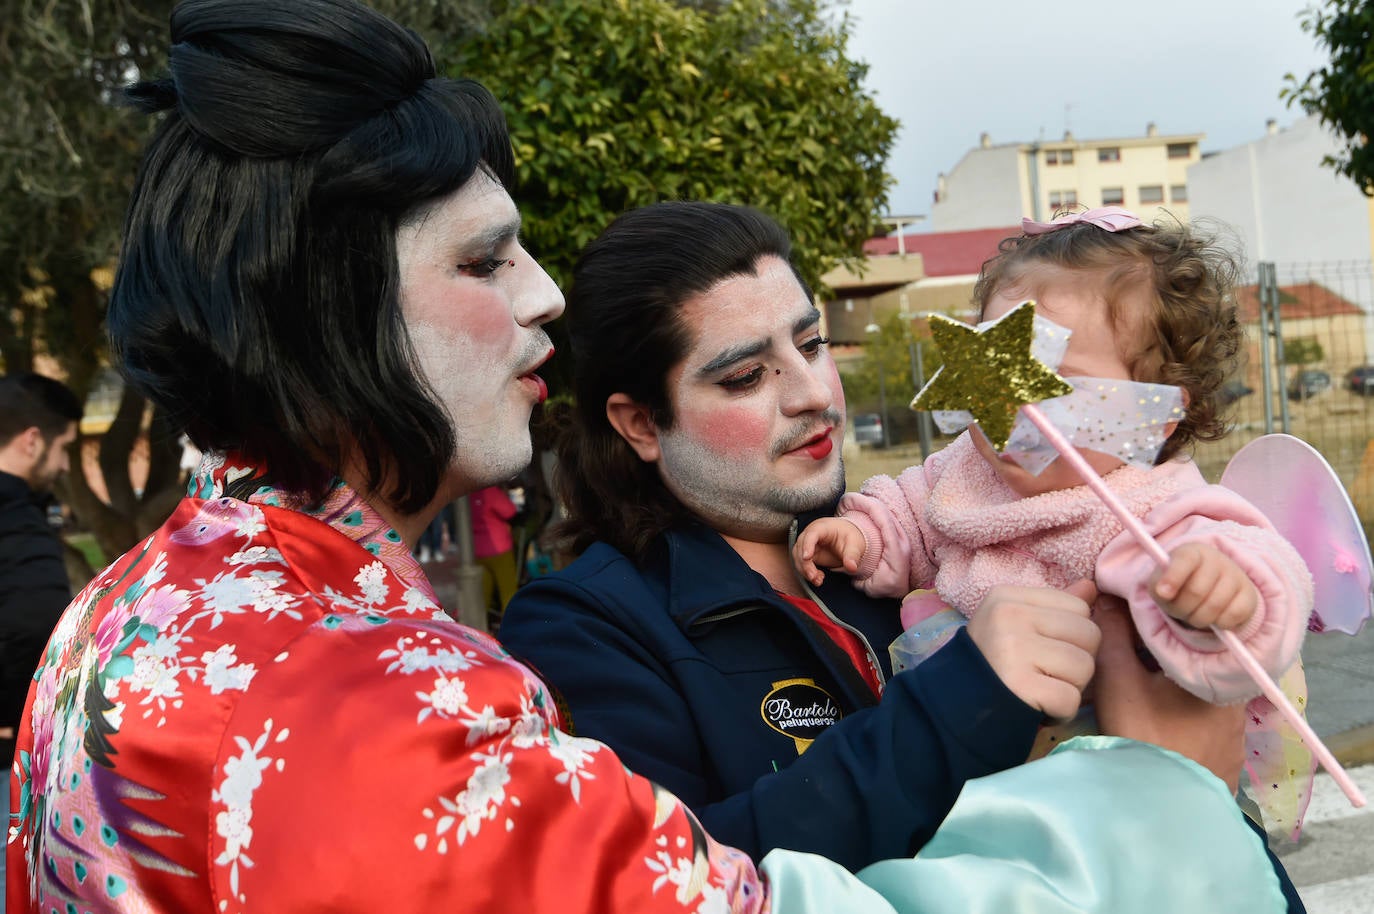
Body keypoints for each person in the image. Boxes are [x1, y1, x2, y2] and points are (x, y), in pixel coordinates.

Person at [6, 3, 1292, 911]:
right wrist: (1165, 790)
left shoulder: (176, 608)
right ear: (327, 306)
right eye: (482, 258)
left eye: (810, 341)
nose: (545, 293)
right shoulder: (357, 696)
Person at [497, 202, 1299, 909]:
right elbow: (668, 881)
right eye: (746, 376)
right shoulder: (587, 631)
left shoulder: (906, 550)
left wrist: (1203, 788)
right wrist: (972, 697)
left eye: (812, 344)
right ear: (640, 424)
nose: (811, 393)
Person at [793, 206, 1314, 827]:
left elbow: (1261, 557)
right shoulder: (965, 470)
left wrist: (1225, 594)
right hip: (968, 752)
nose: (1020, 414)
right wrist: (863, 534)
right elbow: (911, 510)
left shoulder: (1157, 502)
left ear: (1161, 412)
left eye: (1060, 385)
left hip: (1111, 774)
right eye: (1000, 374)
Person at [0, 372, 81, 889]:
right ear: (33, 440)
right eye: (64, 447)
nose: (66, 464)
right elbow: (36, 629)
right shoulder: (15, 520)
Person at [470, 484, 520, 614]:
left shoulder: (467, 494)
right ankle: (510, 626)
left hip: (478, 549)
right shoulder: (489, 491)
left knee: (483, 595)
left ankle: (481, 628)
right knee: (508, 592)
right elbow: (510, 511)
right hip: (499, 548)